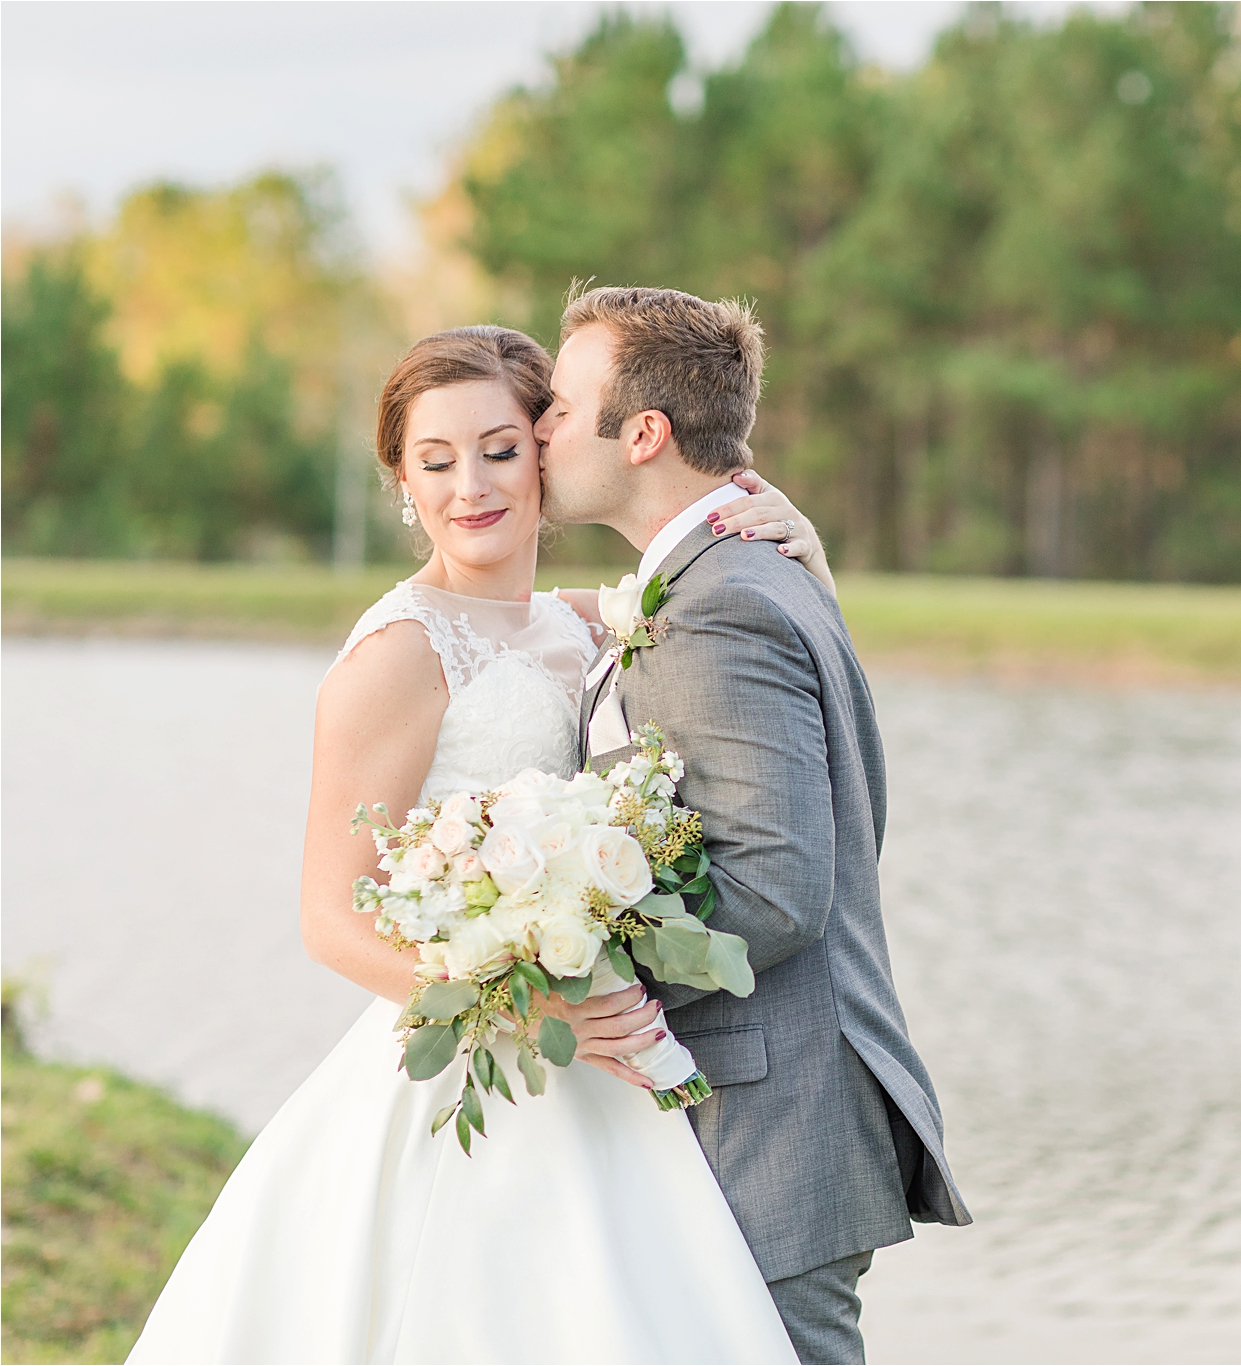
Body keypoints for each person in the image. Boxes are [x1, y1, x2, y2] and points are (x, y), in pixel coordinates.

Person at [128, 323, 849, 1364]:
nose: (471, 484)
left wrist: (802, 552)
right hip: (480, 1053)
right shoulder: (397, 653)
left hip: (597, 1064)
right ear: (402, 481)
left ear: (548, 454)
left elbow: (745, 676)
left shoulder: (582, 624)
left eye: (500, 450)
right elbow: (331, 918)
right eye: (436, 461)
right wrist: (522, 997)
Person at [537, 286, 971, 1366]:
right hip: (750, 1102)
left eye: (555, 406)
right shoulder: (727, 572)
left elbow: (776, 887)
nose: (540, 428)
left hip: (768, 1119)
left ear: (641, 433)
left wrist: (561, 962)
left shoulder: (718, 600)